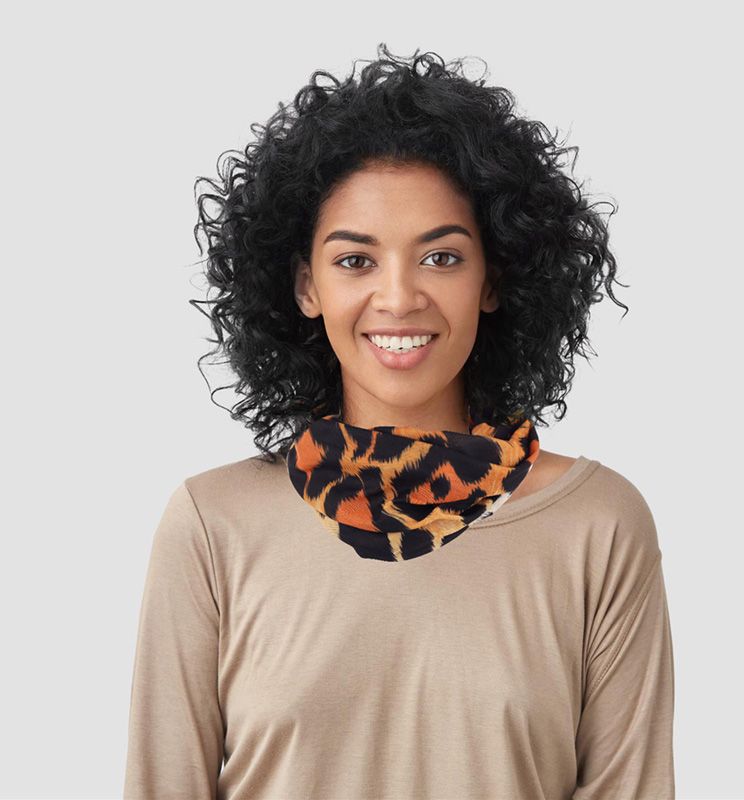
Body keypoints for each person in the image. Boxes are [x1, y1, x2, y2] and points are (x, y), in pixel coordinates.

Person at [123, 44, 675, 799]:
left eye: (441, 258)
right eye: (355, 261)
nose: (398, 298)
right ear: (306, 287)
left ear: (493, 280)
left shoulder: (597, 526)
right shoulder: (212, 526)